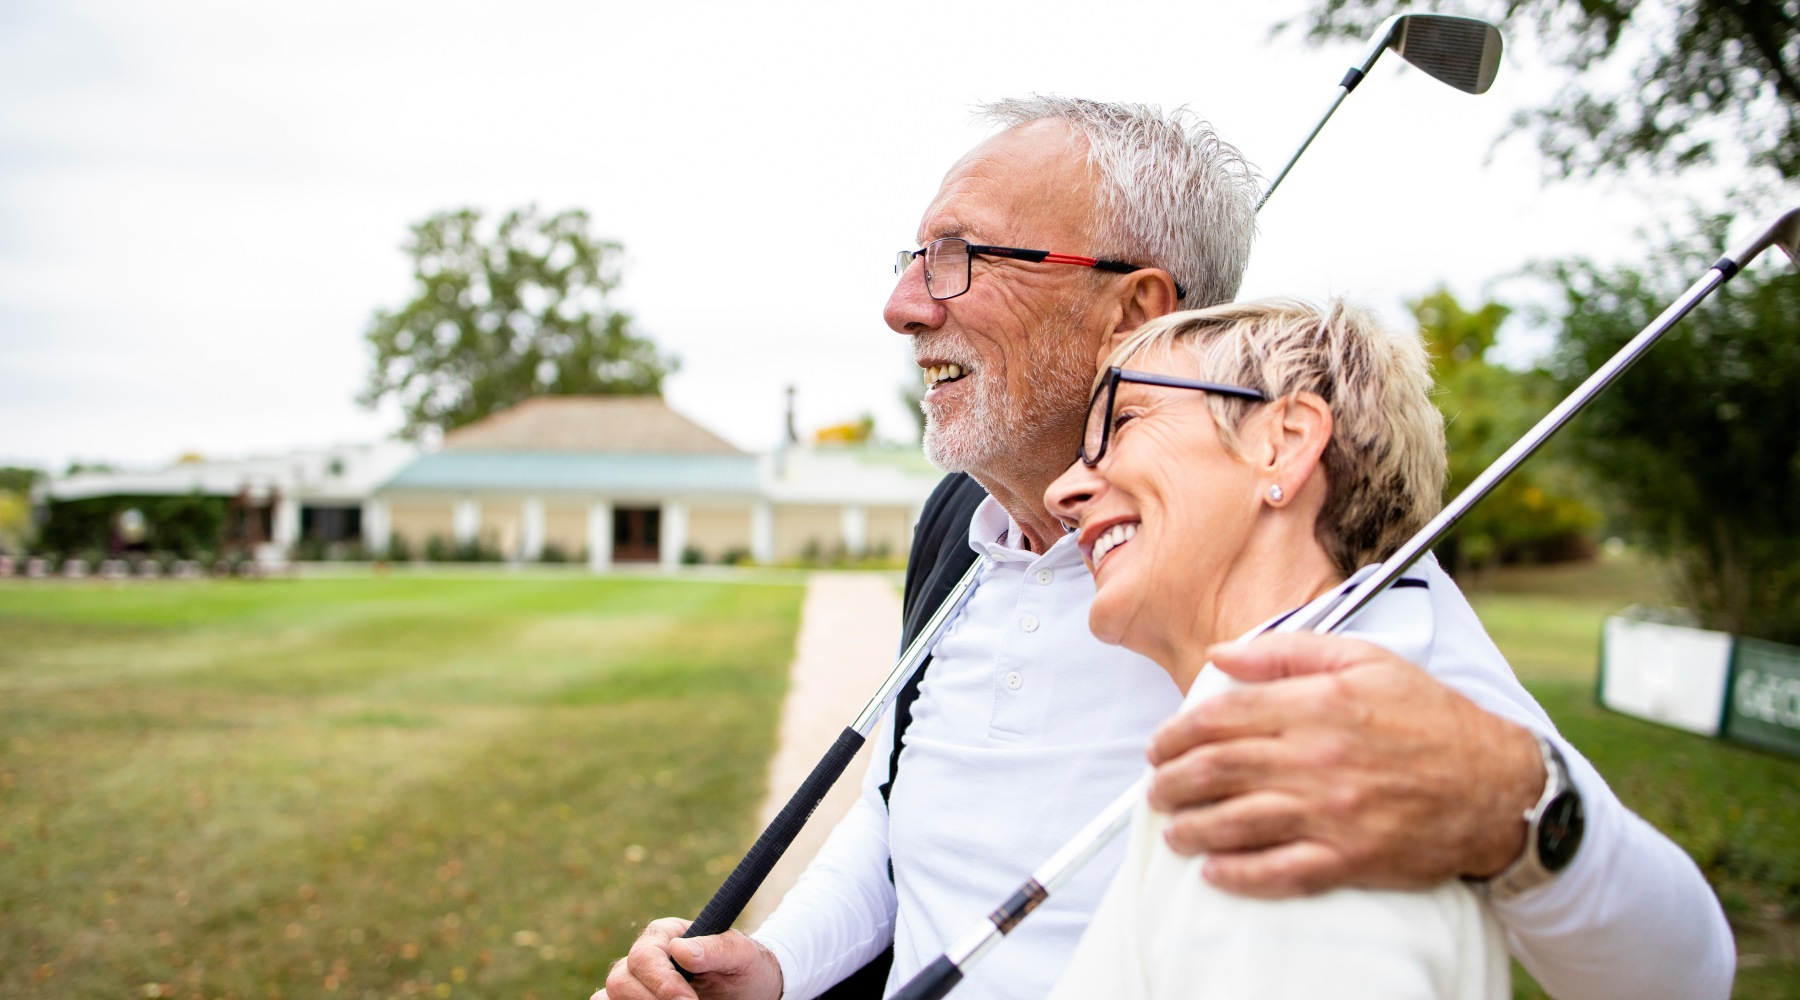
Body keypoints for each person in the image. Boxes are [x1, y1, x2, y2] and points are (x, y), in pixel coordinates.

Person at [600, 97, 1733, 1000]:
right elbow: (916, 809)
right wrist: (787, 968)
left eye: (956, 258)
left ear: (1135, 307)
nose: (902, 304)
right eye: (911, 255)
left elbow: (1683, 970)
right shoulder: (956, 523)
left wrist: (1511, 800)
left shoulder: (1338, 608)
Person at [1043, 298, 1511, 998]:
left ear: (1285, 441)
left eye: (1125, 420)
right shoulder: (1291, 729)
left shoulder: (1305, 775)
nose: (1062, 490)